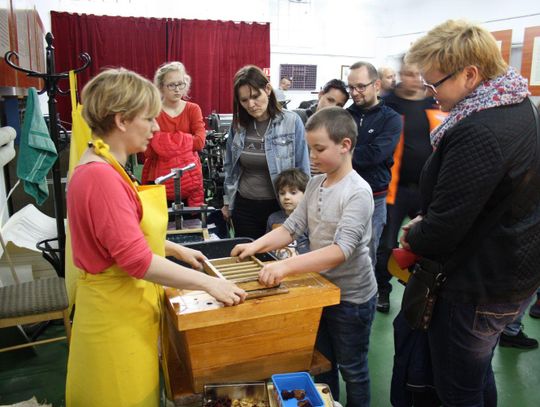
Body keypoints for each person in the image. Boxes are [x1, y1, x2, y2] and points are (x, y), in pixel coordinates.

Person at [65, 68, 246, 407]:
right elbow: (136, 260)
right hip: (114, 325)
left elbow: (120, 236)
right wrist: (208, 283)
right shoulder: (100, 177)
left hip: (126, 312)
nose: (156, 127)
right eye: (148, 119)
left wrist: (175, 249)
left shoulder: (106, 164)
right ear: (121, 120)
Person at [399, 20, 540, 406]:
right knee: (476, 377)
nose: (431, 95)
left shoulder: (478, 130)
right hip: (511, 271)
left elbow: (445, 228)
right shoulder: (516, 101)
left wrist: (415, 234)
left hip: (478, 282)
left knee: (458, 389)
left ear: (470, 74)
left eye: (435, 84)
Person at [231, 107, 377, 407]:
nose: (311, 156)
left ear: (345, 145)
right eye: (310, 148)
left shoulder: (358, 192)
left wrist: (284, 266)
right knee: (323, 363)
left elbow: (341, 250)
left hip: (352, 299)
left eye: (319, 149)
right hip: (320, 291)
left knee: (353, 369)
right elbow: (292, 227)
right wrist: (255, 246)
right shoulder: (314, 183)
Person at [374, 61, 446, 313]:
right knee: (386, 244)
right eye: (407, 73)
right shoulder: (387, 105)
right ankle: (382, 290)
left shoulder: (437, 104)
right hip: (394, 189)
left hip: (428, 191)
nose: (413, 79)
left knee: (427, 244)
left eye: (417, 74)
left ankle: (421, 292)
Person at [222, 65, 310, 239]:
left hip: (280, 207)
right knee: (248, 257)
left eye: (256, 96)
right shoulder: (238, 125)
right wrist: (227, 202)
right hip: (244, 206)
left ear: (268, 89)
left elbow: (302, 169)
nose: (251, 105)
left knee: (280, 259)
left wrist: (304, 207)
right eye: (244, 100)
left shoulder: (292, 122)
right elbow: (230, 167)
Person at [347, 61, 402, 269]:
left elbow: (376, 154)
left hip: (374, 198)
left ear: (376, 85)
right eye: (351, 87)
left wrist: (342, 153)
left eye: (361, 86)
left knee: (366, 254)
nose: (355, 92)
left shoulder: (391, 119)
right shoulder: (344, 116)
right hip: (343, 194)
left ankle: (365, 300)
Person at [141, 61, 205, 206]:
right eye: (171, 85)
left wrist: (161, 141)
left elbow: (200, 142)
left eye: (181, 84)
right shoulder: (153, 110)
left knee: (191, 223)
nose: (177, 89)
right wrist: (187, 142)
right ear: (161, 87)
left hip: (189, 177)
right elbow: (149, 151)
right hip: (158, 178)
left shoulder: (193, 109)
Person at [266, 168, 310, 259]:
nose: (286, 197)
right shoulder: (273, 218)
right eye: (282, 193)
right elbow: (268, 244)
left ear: (305, 194)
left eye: (293, 193)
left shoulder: (309, 219)